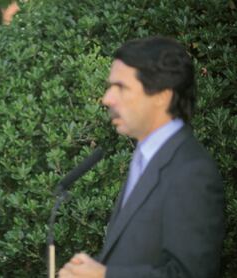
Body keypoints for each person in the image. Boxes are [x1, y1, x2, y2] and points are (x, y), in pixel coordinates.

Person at [58, 36, 224, 278]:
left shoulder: (191, 171)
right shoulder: (147, 157)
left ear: (162, 96)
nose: (107, 99)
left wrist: (104, 276)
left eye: (121, 87)